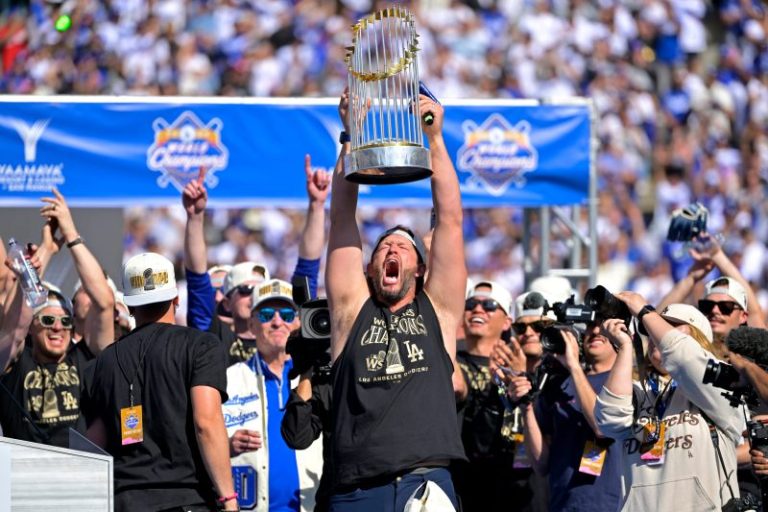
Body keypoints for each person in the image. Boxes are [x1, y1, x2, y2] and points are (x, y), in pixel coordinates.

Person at [325, 90, 466, 510]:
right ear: (369, 269)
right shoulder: (352, 311)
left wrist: (435, 141)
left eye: (403, 248)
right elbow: (341, 218)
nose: (390, 250)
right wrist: (351, 134)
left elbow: (452, 220)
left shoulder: (438, 309)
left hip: (426, 484)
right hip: (357, 489)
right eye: (383, 246)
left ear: (421, 269)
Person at [84, 252, 237, 512]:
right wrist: (229, 499)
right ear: (176, 297)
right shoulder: (201, 346)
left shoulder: (100, 363)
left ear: (130, 305)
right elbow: (206, 423)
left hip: (125, 501)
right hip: (187, 499)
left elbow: (94, 445)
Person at [595, 296, 744, 511]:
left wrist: (644, 311)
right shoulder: (639, 390)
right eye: (650, 329)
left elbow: (686, 360)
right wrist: (625, 347)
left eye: (670, 326)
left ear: (698, 339)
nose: (656, 333)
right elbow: (609, 420)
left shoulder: (723, 380)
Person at [0, 189, 115, 447]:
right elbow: (15, 328)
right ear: (33, 327)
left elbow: (105, 302)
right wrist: (45, 254)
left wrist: (71, 234)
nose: (58, 328)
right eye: (48, 321)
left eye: (65, 322)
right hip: (24, 478)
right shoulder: (14, 365)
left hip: (80, 474)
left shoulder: (84, 360)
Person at [504, 312, 622, 511]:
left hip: (611, 504)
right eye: (589, 326)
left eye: (601, 327)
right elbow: (541, 464)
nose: (593, 331)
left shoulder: (626, 382)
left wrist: (574, 365)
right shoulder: (559, 385)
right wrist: (527, 408)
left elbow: (602, 426)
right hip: (563, 504)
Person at [222, 278, 321, 512]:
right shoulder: (229, 379)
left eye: (286, 314)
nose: (277, 322)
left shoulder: (316, 378)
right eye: (266, 314)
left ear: (298, 323)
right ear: (252, 324)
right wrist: (225, 446)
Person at [452, 280, 546, 512]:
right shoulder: (452, 363)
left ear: (507, 323)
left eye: (490, 305)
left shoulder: (524, 365)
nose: (478, 309)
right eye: (471, 303)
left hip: (523, 488)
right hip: (469, 484)